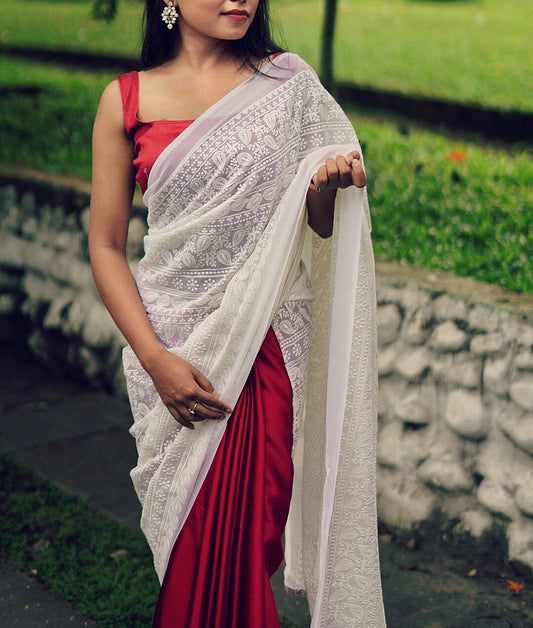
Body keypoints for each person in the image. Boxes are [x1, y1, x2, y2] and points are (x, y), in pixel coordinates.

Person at [89, 0, 386, 625]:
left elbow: (316, 231)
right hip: (169, 350)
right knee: (188, 546)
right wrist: (157, 359)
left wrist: (323, 191)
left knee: (247, 546)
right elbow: (106, 245)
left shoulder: (290, 87)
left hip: (261, 349)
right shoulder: (126, 100)